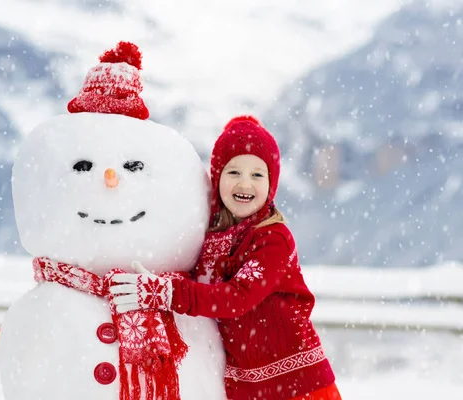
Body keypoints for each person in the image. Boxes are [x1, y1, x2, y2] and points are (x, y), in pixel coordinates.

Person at [111, 115, 341, 400]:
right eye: (234, 172)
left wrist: (166, 292)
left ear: (272, 184)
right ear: (217, 178)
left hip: (298, 385)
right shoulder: (212, 239)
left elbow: (236, 298)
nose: (245, 183)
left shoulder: (272, 239)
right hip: (245, 386)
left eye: (257, 174)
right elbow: (198, 285)